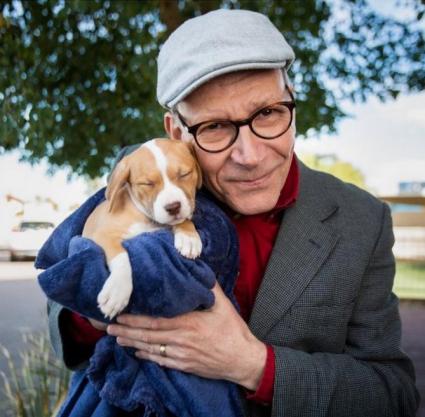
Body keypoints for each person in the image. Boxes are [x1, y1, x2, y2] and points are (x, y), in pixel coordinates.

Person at [48, 9, 419, 417]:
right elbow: (62, 316)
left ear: (292, 105)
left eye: (268, 113)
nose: (250, 155)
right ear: (177, 133)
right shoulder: (142, 178)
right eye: (215, 127)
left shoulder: (362, 220)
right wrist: (100, 312)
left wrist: (254, 366)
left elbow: (392, 393)